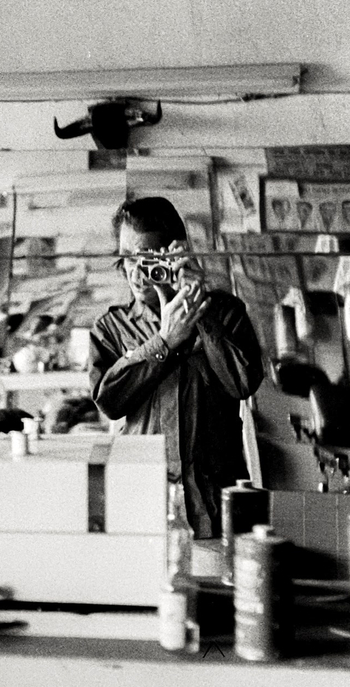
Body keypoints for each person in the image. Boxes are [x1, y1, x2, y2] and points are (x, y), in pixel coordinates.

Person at [89, 197, 264, 539]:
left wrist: (200, 310)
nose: (136, 272)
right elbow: (109, 401)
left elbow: (242, 383)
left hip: (216, 501)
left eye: (148, 258)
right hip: (141, 499)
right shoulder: (110, 328)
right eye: (127, 258)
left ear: (173, 255)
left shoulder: (224, 312)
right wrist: (164, 342)